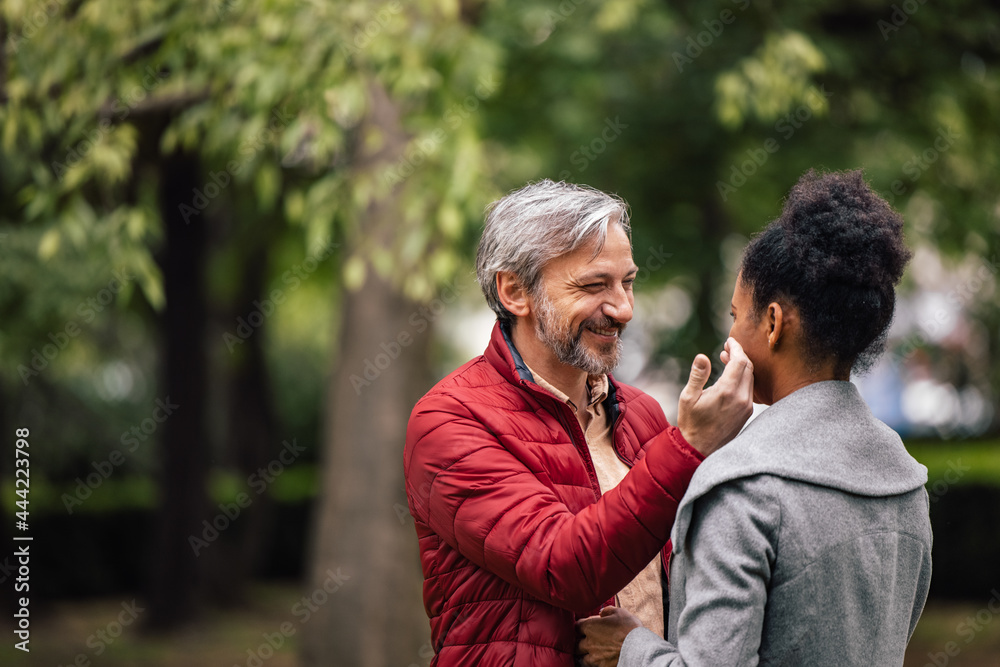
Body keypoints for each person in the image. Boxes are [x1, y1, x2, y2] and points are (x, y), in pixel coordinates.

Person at [576, 169, 933, 667]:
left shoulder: (744, 486)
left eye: (734, 314)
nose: (728, 340)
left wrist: (630, 649)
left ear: (772, 323)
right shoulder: (905, 482)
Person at [404, 179, 755, 665]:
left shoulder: (643, 416)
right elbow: (564, 568)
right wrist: (690, 445)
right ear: (514, 291)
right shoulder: (450, 421)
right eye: (594, 285)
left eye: (627, 282)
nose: (623, 309)